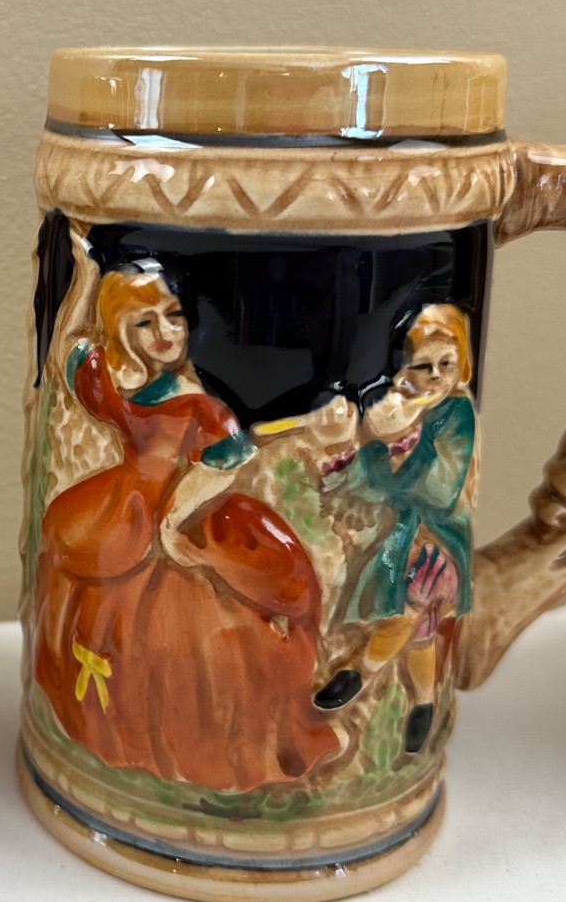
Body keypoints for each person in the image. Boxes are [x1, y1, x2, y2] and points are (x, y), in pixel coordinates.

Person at [32, 263, 341, 792]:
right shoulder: (132, 385)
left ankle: (190, 737)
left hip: (168, 506)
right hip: (132, 509)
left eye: (173, 316)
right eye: (144, 322)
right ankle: (129, 729)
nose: (166, 333)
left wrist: (176, 519)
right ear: (121, 332)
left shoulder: (193, 402)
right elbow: (74, 356)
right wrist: (83, 275)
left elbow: (224, 463)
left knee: (202, 615)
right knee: (126, 608)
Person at [313, 304, 476, 755]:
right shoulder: (402, 412)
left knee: (411, 602)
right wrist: (375, 447)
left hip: (441, 535)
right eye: (423, 366)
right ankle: (423, 704)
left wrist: (398, 452)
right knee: (419, 626)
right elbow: (376, 483)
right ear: (404, 370)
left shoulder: (456, 413)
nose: (436, 376)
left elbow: (440, 490)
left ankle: (358, 673)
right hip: (403, 534)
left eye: (447, 364)